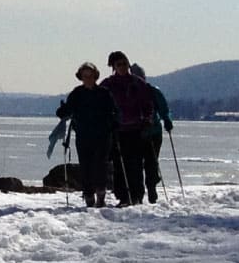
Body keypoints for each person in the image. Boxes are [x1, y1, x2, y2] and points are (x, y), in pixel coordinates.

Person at [56, 62, 119, 208]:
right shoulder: (77, 93)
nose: (88, 79)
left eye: (90, 76)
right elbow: (67, 109)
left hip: (103, 135)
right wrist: (62, 111)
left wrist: (113, 122)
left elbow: (114, 111)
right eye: (85, 76)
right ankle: (89, 195)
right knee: (85, 166)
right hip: (84, 135)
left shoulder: (104, 93)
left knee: (100, 166)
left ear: (95, 76)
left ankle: (101, 195)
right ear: (81, 77)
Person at [101, 51, 160, 206]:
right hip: (117, 129)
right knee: (119, 165)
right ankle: (123, 196)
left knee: (135, 164)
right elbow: (100, 104)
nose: (122, 67)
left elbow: (148, 104)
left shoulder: (137, 83)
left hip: (135, 129)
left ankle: (137, 196)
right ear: (113, 66)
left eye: (125, 64)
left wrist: (147, 119)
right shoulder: (108, 84)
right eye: (118, 64)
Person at [132, 63, 174, 203]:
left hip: (153, 132)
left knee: (151, 162)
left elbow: (164, 108)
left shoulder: (153, 91)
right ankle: (138, 192)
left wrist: (167, 119)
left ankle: (151, 187)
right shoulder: (127, 92)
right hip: (134, 132)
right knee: (135, 163)